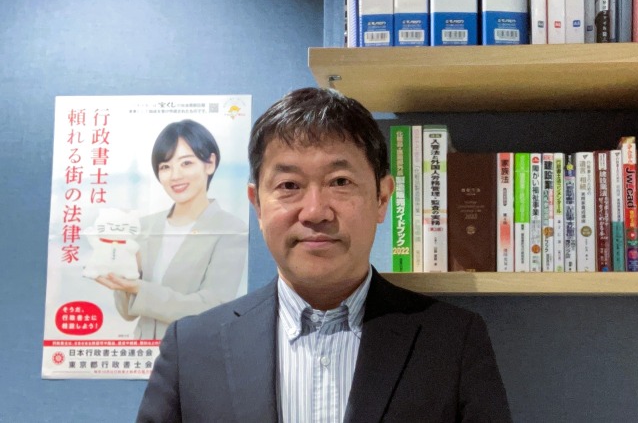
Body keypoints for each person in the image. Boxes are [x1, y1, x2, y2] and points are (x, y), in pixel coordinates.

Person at [136, 88, 512, 422]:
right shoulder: (191, 348)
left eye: (340, 182)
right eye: (289, 185)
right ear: (257, 205)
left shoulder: (453, 341)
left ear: (382, 198)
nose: (315, 211)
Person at [95, 119, 248, 340]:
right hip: (142, 353)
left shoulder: (231, 229)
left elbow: (213, 307)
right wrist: (122, 277)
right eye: (165, 167)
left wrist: (139, 288)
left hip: (192, 351)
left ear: (210, 163)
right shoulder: (144, 226)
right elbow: (127, 313)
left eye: (186, 163)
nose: (175, 175)